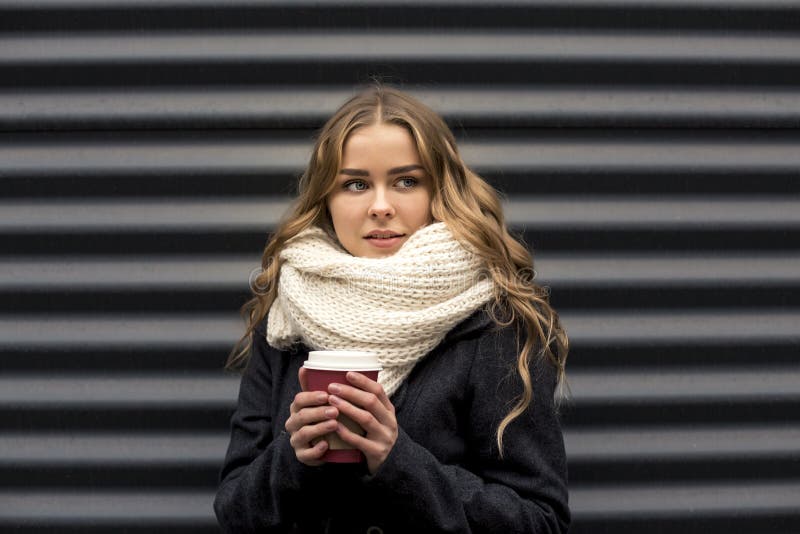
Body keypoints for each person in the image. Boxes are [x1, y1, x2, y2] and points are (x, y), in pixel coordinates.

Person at [214, 83, 570, 533]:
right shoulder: (288, 314)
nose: (381, 206)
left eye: (406, 181)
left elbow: (540, 521)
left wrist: (397, 460)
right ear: (327, 199)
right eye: (356, 184)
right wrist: (293, 456)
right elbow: (234, 513)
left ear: (438, 191)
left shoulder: (495, 323)